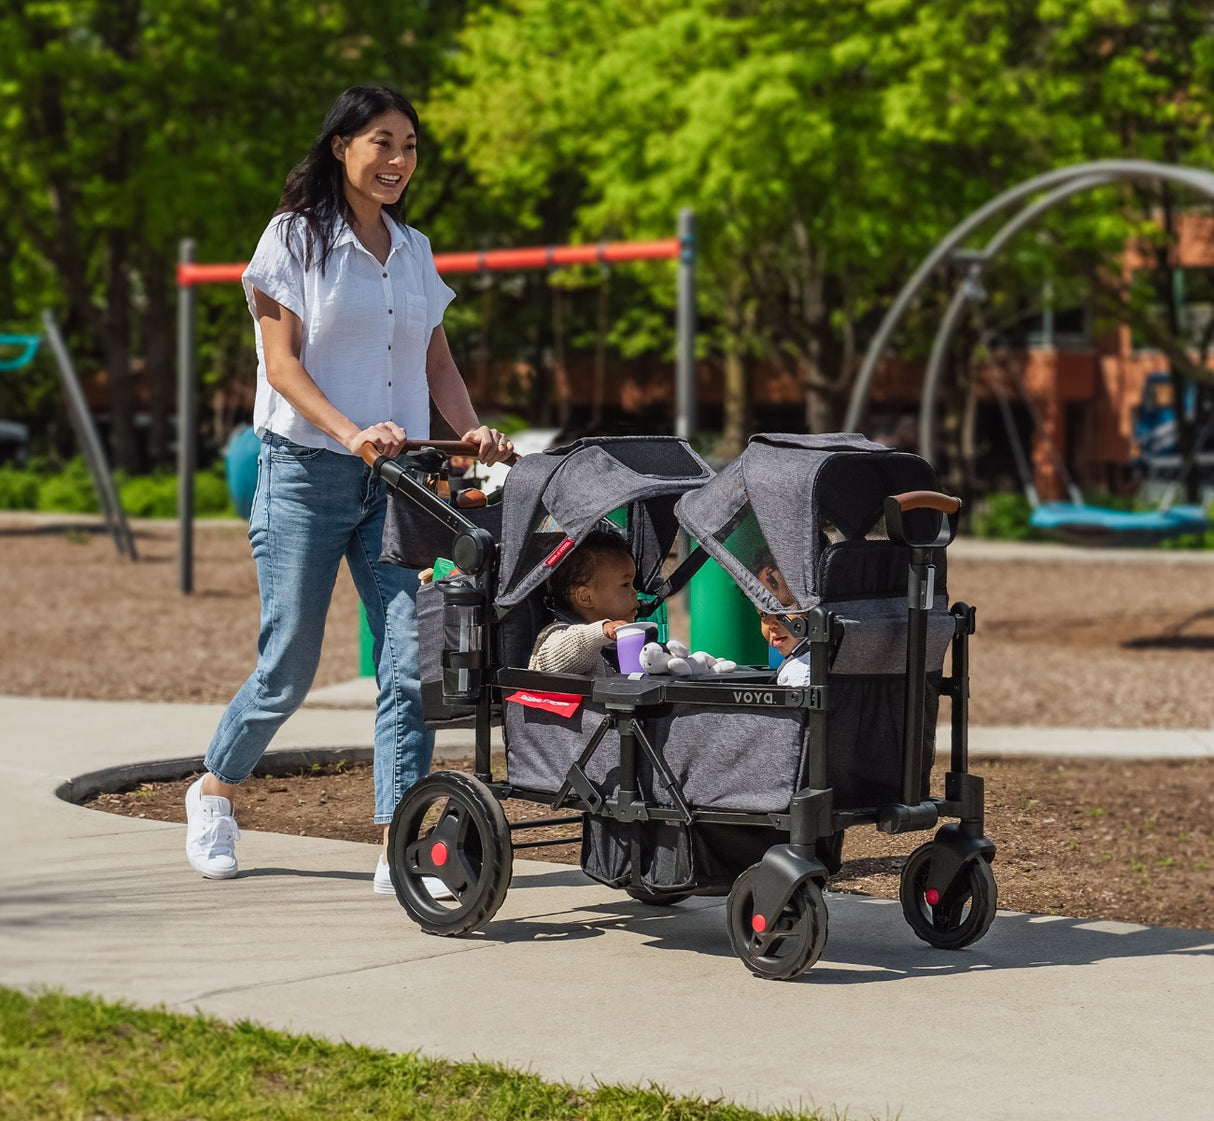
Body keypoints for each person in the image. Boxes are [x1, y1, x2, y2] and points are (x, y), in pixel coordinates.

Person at [184, 86, 514, 896]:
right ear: (341, 146)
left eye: (409, 145)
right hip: (305, 471)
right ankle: (215, 790)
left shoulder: (413, 247)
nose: (398, 160)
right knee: (288, 664)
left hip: (399, 482)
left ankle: (397, 844)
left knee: (407, 662)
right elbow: (282, 365)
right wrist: (351, 431)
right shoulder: (291, 238)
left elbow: (436, 363)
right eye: (381, 142)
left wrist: (471, 432)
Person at [529, 531, 639, 675]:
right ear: (586, 597)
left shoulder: (618, 639)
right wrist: (601, 631)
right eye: (625, 585)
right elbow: (552, 659)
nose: (635, 592)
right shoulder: (558, 632)